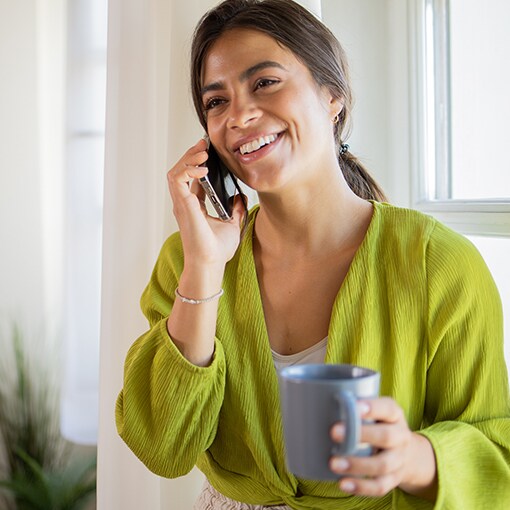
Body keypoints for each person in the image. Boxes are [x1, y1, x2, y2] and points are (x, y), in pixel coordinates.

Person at [115, 0, 510, 508]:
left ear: (332, 97)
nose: (239, 115)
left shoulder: (442, 265)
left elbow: (496, 456)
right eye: (216, 102)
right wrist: (205, 269)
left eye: (265, 83)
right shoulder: (189, 261)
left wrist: (414, 457)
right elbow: (160, 447)